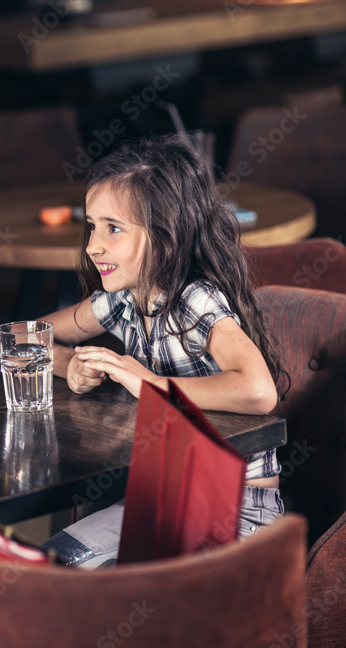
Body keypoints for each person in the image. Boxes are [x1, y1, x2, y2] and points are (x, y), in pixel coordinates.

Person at [39, 134, 284, 568]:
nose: (93, 244)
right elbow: (27, 334)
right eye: (92, 226)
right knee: (44, 564)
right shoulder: (119, 300)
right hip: (164, 500)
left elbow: (259, 391)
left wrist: (150, 382)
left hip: (237, 511)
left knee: (75, 581)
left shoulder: (193, 300)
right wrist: (69, 365)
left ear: (164, 237)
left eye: (113, 228)